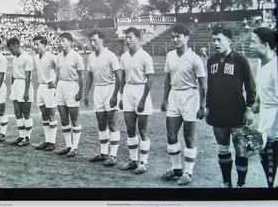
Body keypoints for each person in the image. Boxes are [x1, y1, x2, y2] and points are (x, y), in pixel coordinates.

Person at [206, 27, 256, 188]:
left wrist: (248, 108)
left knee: (241, 149)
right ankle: (227, 183)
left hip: (237, 111)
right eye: (213, 40)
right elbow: (210, 87)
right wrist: (208, 107)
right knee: (223, 148)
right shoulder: (211, 61)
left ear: (229, 40)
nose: (215, 43)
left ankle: (241, 184)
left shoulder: (240, 60)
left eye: (219, 39)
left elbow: (250, 86)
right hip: (217, 111)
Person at [160, 25, 206, 186]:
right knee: (171, 135)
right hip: (174, 96)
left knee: (189, 136)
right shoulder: (170, 56)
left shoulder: (195, 58)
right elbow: (167, 79)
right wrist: (165, 99)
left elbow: (202, 83)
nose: (175, 40)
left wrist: (202, 105)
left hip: (190, 96)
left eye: (178, 36)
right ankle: (176, 168)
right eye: (173, 37)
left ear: (187, 38)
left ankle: (188, 172)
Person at [83, 30, 123, 166]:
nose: (92, 43)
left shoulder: (110, 56)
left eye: (95, 40)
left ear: (102, 40)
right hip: (98, 90)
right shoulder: (91, 57)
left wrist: (115, 95)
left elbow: (119, 77)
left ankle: (113, 155)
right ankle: (103, 153)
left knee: (112, 124)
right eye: (90, 41)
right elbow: (89, 76)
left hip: (110, 88)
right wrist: (86, 93)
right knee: (101, 124)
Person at [118, 27, 154, 174]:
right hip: (128, 90)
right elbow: (122, 78)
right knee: (130, 128)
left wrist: (143, 100)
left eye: (130, 37)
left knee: (143, 129)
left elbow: (150, 79)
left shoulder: (145, 56)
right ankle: (133, 160)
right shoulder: (124, 56)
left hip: (141, 90)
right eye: (126, 37)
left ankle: (143, 163)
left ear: (138, 38)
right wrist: (120, 96)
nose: (127, 40)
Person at [250, 27, 278, 188]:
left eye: (254, 42)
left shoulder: (276, 68)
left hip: (276, 125)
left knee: (272, 170)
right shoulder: (262, 63)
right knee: (265, 162)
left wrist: (274, 130)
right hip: (265, 119)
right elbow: (262, 87)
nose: (250, 46)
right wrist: (257, 102)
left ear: (266, 45)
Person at [54, 32, 85, 157]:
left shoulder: (77, 56)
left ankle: (75, 148)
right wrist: (56, 86)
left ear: (71, 43)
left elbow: (82, 75)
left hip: (72, 86)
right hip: (61, 86)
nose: (61, 43)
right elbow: (57, 73)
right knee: (63, 118)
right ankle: (68, 146)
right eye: (60, 41)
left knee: (74, 119)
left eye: (64, 41)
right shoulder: (59, 56)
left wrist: (80, 91)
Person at [32, 35, 58, 151]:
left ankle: (52, 142)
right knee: (44, 115)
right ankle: (47, 140)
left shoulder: (52, 57)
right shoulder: (35, 57)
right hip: (40, 87)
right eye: (34, 44)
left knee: (51, 115)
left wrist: (56, 83)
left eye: (37, 44)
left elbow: (60, 69)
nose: (35, 47)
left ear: (44, 45)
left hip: (49, 87)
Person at [7, 37, 34, 146]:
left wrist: (26, 91)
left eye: (12, 49)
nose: (11, 52)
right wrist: (12, 87)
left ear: (17, 46)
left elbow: (28, 76)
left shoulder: (27, 58)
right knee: (17, 112)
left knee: (26, 112)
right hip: (16, 85)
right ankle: (21, 135)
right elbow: (14, 74)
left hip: (24, 84)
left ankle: (27, 137)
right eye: (10, 50)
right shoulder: (15, 58)